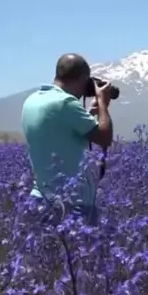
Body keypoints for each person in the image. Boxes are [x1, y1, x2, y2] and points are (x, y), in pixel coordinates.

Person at [21, 53, 114, 226]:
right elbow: (104, 137)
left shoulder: (32, 101)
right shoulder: (65, 103)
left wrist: (89, 113)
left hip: (40, 198)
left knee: (47, 253)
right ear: (83, 78)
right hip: (72, 203)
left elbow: (59, 130)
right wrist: (102, 103)